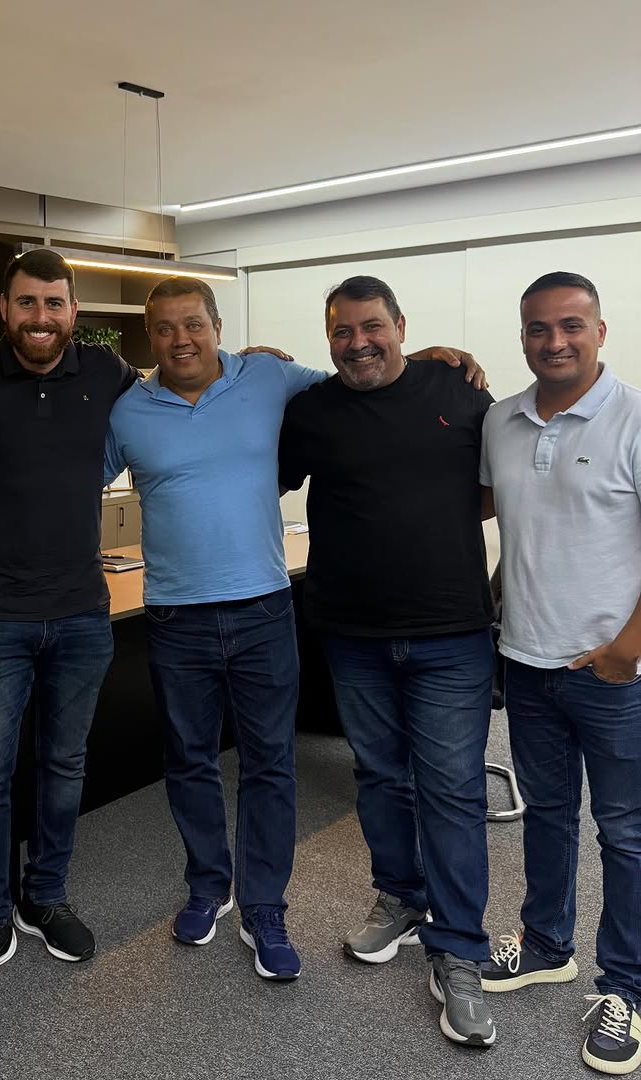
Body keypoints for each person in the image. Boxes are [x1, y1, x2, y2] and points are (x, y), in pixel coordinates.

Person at [103, 276, 484, 984]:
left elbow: (366, 375)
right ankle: (208, 887)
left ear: (218, 327)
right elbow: (72, 483)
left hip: (263, 611)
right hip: (176, 616)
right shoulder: (129, 409)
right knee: (189, 761)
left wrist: (433, 357)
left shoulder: (270, 377)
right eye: (165, 328)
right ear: (148, 337)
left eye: (194, 324)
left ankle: (265, 908)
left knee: (270, 764)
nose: (181, 339)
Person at [0, 248, 139, 1005]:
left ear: (73, 311)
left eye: (54, 303)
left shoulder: (105, 372)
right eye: (27, 303)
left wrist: (257, 361)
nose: (41, 317)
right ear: (5, 309)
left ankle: (44, 897)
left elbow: (189, 381)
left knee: (63, 767)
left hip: (80, 612)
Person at [276, 275, 497, 1046]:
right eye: (342, 331)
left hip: (451, 634)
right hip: (353, 634)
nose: (358, 342)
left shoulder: (457, 389)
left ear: (401, 325)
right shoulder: (312, 411)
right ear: (328, 338)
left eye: (372, 326)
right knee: (379, 777)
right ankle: (400, 896)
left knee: (452, 790)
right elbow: (260, 470)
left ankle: (459, 949)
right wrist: (249, 365)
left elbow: (492, 489)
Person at [480, 271, 641, 1075]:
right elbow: (486, 508)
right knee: (548, 814)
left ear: (600, 331)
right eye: (538, 328)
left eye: (571, 325)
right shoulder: (501, 420)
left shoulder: (634, 417)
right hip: (527, 659)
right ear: (522, 337)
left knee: (626, 832)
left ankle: (629, 986)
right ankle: (547, 944)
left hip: (611, 673)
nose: (555, 341)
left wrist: (627, 649)